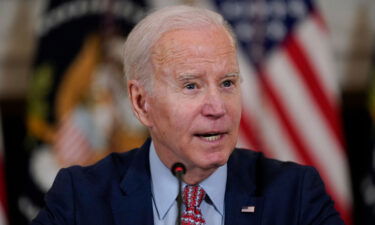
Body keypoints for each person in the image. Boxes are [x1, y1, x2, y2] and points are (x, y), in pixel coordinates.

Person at [31, 5, 345, 225]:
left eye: (227, 83)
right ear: (141, 103)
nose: (217, 107)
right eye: (191, 85)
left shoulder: (294, 195)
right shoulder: (81, 198)